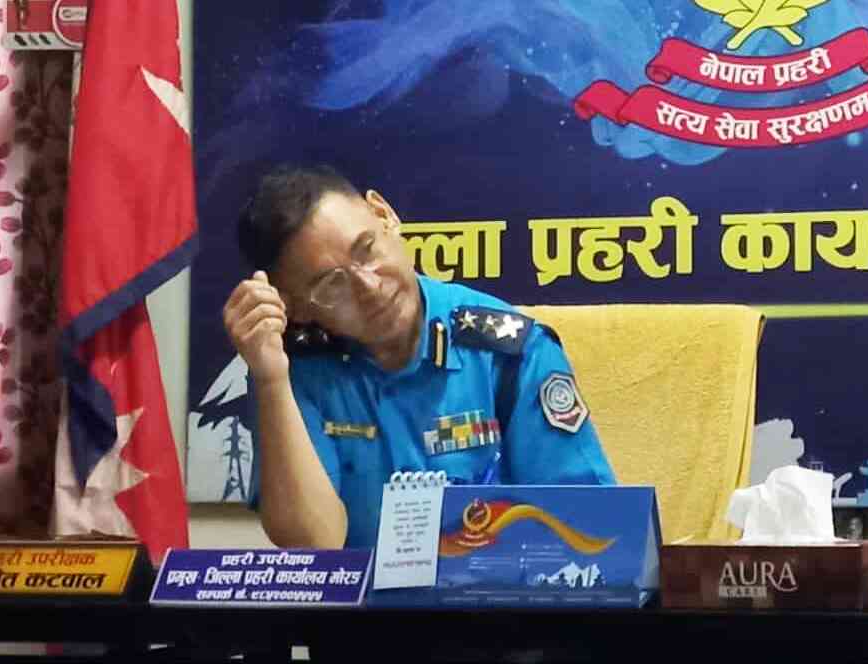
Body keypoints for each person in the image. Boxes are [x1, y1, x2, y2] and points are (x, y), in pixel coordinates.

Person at [223, 164, 616, 549]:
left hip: (496, 588)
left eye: (366, 249)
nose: (370, 287)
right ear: (294, 307)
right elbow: (313, 545)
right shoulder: (292, 368)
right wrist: (271, 380)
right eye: (332, 284)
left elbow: (588, 526)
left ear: (385, 215)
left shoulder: (509, 353)